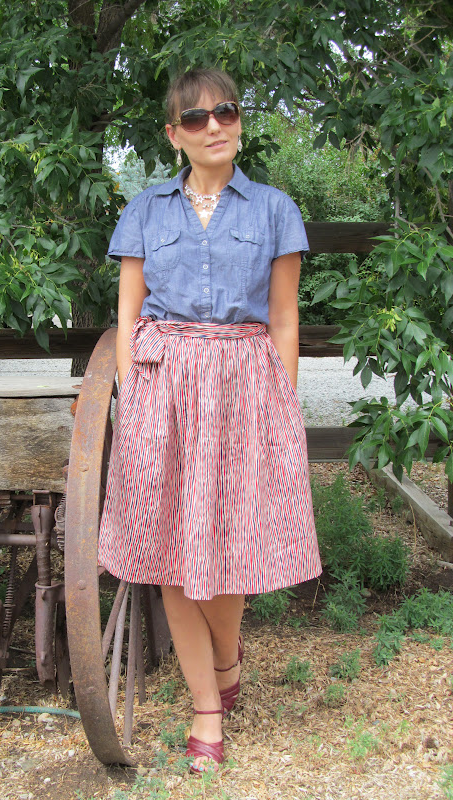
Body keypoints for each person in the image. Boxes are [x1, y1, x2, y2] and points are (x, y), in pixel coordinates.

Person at [98, 68, 322, 772]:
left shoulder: (275, 210)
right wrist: (134, 398)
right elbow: (128, 316)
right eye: (195, 118)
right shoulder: (144, 211)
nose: (213, 126)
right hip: (163, 393)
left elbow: (283, 320)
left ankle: (226, 659)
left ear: (239, 122)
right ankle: (206, 707)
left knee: (228, 547)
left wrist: (280, 406)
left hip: (243, 390)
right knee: (171, 551)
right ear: (175, 135)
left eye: (224, 112)